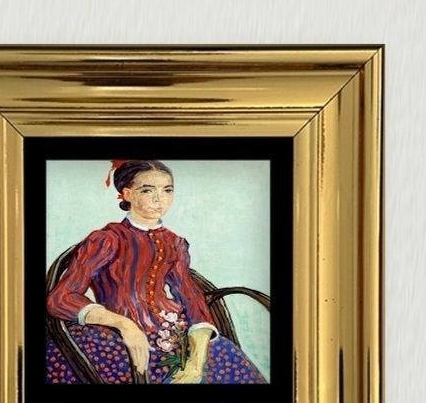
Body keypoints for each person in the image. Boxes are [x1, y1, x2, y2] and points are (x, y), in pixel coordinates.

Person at [45, 159, 266, 385]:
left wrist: (196, 361)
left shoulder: (175, 243)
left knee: (225, 363)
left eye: (167, 190)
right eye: (147, 190)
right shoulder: (107, 239)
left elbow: (191, 299)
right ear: (127, 194)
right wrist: (125, 325)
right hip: (113, 337)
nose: (159, 199)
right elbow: (61, 298)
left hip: (174, 331)